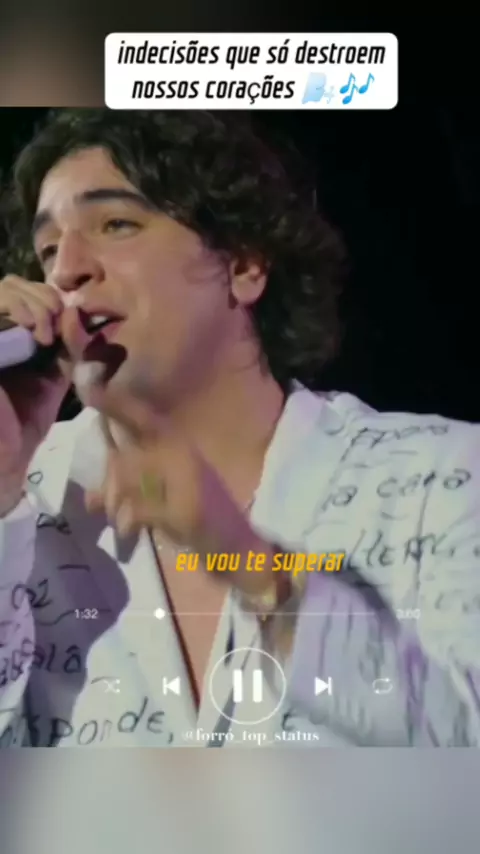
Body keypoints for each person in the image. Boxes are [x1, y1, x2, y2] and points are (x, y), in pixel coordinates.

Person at [0, 108, 478, 749]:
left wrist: (248, 562)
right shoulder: (27, 503)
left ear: (245, 263)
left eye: (116, 224)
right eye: (48, 250)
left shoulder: (443, 478)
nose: (66, 271)